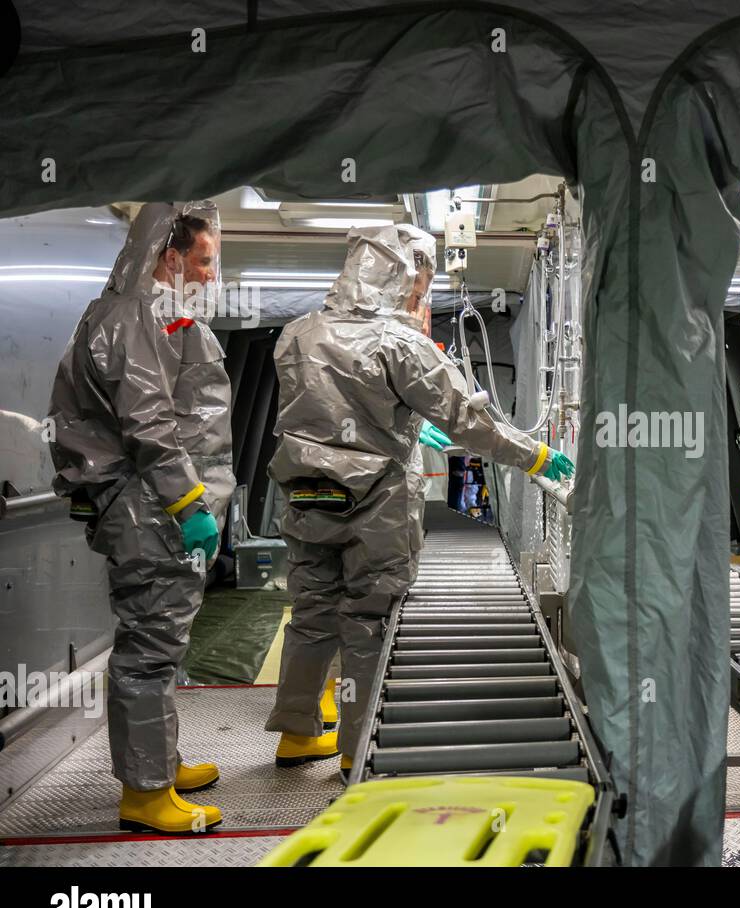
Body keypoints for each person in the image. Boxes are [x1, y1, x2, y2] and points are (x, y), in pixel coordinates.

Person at [264, 224, 573, 775]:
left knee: (311, 612)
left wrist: (395, 420)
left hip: (306, 494)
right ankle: (355, 750)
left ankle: (294, 734)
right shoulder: (398, 343)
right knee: (367, 618)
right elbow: (469, 422)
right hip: (374, 502)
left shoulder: (297, 333)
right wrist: (535, 456)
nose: (420, 297)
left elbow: (323, 414)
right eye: (420, 285)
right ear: (400, 277)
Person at [48, 201, 234, 833]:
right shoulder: (130, 316)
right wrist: (190, 503)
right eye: (204, 261)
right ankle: (146, 794)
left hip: (157, 503)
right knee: (150, 648)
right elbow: (148, 421)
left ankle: (160, 762)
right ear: (169, 256)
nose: (212, 276)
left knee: (160, 640)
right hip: (149, 505)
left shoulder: (156, 315)